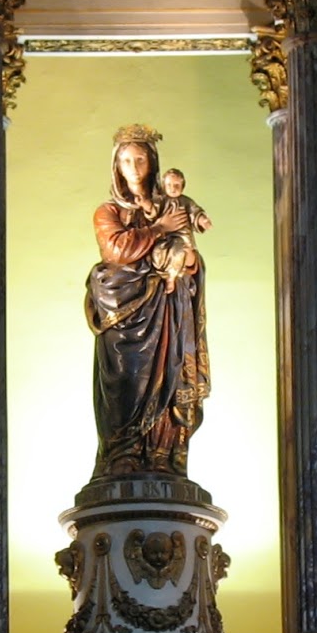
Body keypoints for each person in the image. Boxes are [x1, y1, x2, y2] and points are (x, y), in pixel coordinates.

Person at [85, 126, 209, 478]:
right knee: (128, 382)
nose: (134, 167)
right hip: (124, 313)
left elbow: (189, 250)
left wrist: (189, 263)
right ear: (117, 167)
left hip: (168, 308)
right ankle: (122, 454)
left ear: (152, 163)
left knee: (170, 375)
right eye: (126, 160)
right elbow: (116, 251)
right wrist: (158, 230)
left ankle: (163, 454)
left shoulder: (170, 206)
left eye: (140, 159)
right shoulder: (107, 212)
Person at [150, 167, 212, 290]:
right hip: (165, 237)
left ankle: (172, 278)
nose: (173, 189)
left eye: (176, 185)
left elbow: (195, 212)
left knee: (181, 253)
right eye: (169, 185)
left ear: (182, 186)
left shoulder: (186, 202)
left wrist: (202, 220)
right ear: (163, 186)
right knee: (159, 252)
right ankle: (165, 274)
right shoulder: (161, 201)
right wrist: (144, 204)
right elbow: (153, 210)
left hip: (183, 237)